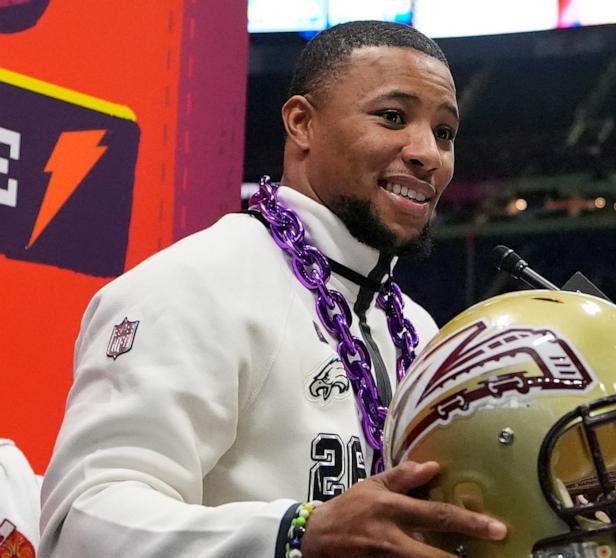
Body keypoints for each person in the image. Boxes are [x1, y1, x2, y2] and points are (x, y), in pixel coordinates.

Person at [40, 21, 506, 558]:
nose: (428, 153)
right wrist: (296, 533)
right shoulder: (192, 285)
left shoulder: (421, 332)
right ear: (302, 123)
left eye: (445, 132)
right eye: (392, 117)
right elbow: (82, 523)